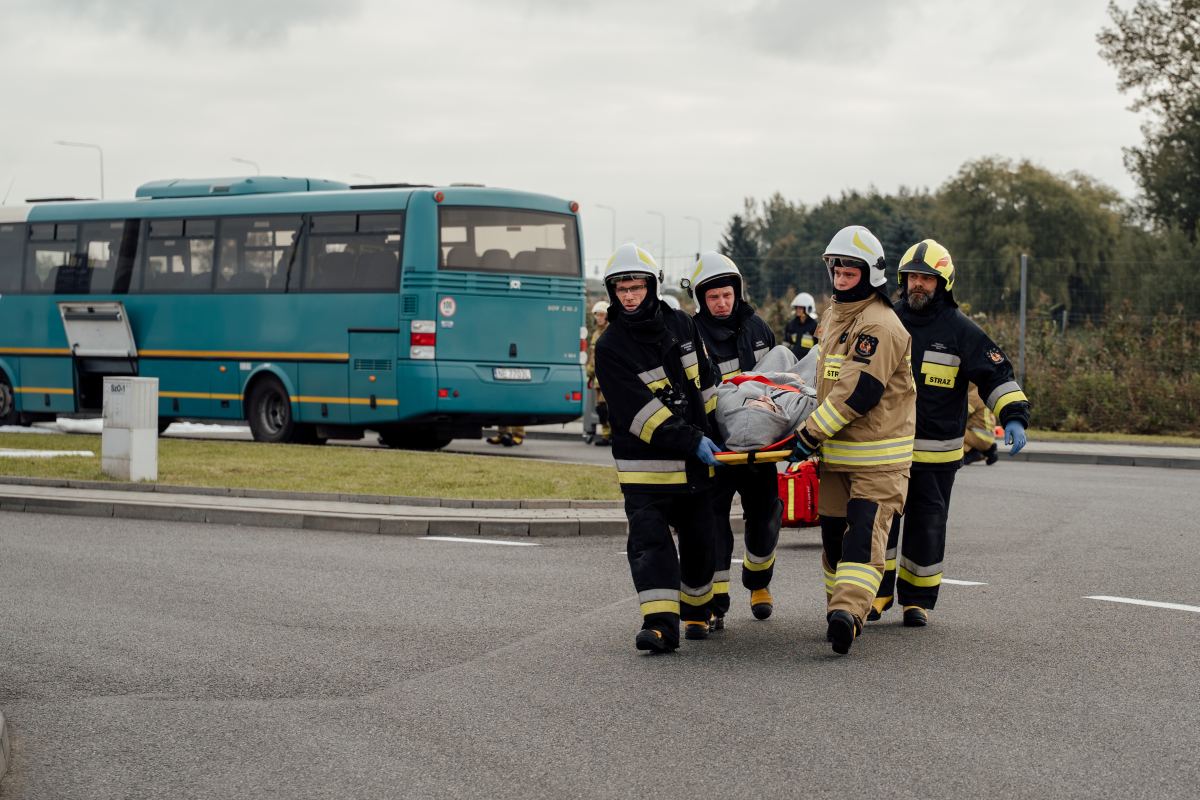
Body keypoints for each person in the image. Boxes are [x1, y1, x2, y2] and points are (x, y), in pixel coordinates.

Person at [870, 240, 1030, 626]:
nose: (918, 285)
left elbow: (996, 374)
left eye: (927, 278)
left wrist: (1013, 415)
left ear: (943, 283)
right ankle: (876, 595)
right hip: (887, 448)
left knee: (927, 526)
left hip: (937, 454)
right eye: (912, 278)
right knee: (880, 524)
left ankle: (916, 601)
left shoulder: (961, 331)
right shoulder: (887, 321)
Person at [789, 225, 915, 655]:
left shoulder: (879, 324)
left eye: (850, 267)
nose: (841, 273)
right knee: (831, 538)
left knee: (862, 536)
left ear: (870, 273)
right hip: (836, 457)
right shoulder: (835, 315)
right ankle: (836, 609)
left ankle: (849, 613)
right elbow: (824, 381)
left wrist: (808, 434)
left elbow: (857, 392)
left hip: (878, 462)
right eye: (836, 265)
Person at [594, 243, 722, 653]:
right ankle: (660, 625)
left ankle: (698, 611)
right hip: (645, 468)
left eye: (635, 287)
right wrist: (692, 439)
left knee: (702, 544)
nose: (629, 296)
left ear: (652, 286)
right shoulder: (611, 345)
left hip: (696, 468)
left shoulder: (682, 325)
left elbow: (705, 381)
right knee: (650, 546)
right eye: (621, 289)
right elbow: (638, 412)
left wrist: (722, 428)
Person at [685, 251, 781, 626]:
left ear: (737, 292)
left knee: (765, 517)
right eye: (713, 297)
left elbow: (778, 381)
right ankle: (716, 602)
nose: (721, 303)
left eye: (726, 295)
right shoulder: (691, 336)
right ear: (701, 300)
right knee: (712, 524)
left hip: (761, 447)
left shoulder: (759, 329)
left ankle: (758, 584)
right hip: (716, 448)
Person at [585, 300, 611, 446]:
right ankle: (606, 435)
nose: (598, 318)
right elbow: (592, 356)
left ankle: (614, 435)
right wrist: (589, 373)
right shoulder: (595, 334)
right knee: (600, 409)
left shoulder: (612, 332)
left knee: (608, 407)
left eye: (601, 315)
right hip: (597, 378)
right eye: (597, 315)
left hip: (609, 377)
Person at [962, 383, 1000, 465]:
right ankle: (988, 451)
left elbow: (962, 414)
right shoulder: (984, 392)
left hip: (979, 436)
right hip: (988, 437)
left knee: (953, 430)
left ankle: (972, 452)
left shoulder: (974, 395)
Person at [784, 292, 820, 360]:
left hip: (808, 361)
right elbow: (786, 343)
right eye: (796, 307)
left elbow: (819, 345)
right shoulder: (791, 325)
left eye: (800, 308)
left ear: (808, 308)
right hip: (793, 360)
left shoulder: (815, 326)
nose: (797, 310)